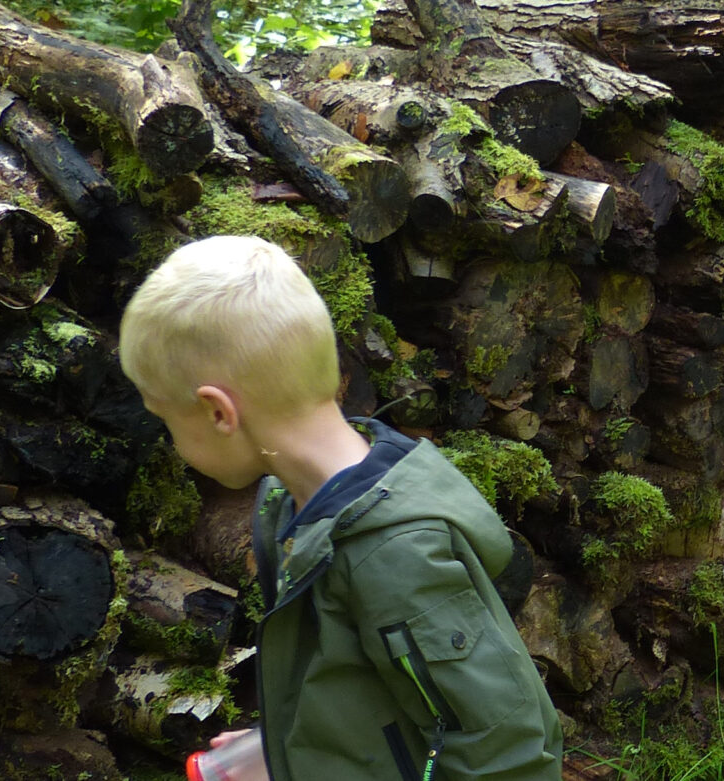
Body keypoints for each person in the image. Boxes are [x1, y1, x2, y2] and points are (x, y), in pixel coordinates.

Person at [119, 236, 559, 780]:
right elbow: (373, 699)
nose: (171, 441)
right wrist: (286, 750)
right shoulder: (294, 505)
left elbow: (506, 757)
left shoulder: (394, 555)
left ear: (217, 412)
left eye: (167, 419)